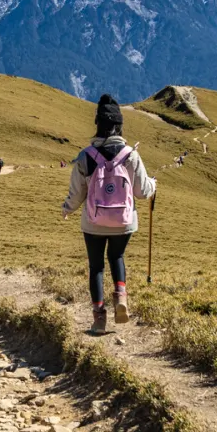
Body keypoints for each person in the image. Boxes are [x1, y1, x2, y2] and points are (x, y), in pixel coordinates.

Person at [61, 95, 156, 335]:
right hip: (124, 223)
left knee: (96, 267)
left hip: (93, 222)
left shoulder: (86, 156)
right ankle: (121, 296)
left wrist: (67, 209)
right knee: (117, 256)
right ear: (119, 125)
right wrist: (154, 184)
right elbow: (143, 192)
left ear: (98, 125)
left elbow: (77, 193)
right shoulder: (130, 155)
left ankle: (99, 317)